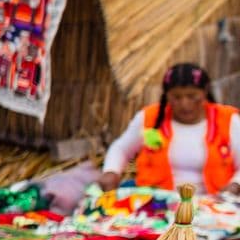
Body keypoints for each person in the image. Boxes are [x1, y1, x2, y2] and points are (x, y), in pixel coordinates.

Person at [98, 63, 240, 198]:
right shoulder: (149, 118)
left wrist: (235, 184)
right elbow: (121, 148)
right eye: (176, 97)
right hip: (156, 203)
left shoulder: (228, 120)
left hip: (214, 204)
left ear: (205, 93)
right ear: (166, 96)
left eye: (192, 96)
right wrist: (111, 171)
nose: (184, 104)